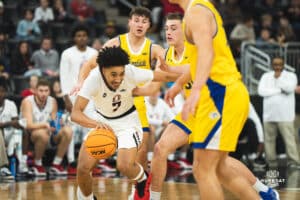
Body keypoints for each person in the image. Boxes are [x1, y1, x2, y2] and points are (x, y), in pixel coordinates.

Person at [133, 12, 279, 200]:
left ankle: (263, 190)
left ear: (185, 31)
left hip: (213, 109)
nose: (168, 32)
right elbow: (153, 84)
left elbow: (191, 69)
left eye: (174, 28)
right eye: (166, 28)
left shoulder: (194, 48)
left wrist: (164, 74)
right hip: (192, 113)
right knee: (161, 149)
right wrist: (132, 87)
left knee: (218, 164)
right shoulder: (168, 55)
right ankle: (153, 198)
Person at [71, 7, 167, 177]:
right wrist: (80, 82)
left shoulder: (154, 49)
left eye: (144, 22)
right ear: (129, 22)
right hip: (112, 100)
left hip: (136, 101)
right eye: (136, 20)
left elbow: (157, 82)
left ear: (149, 26)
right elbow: (89, 64)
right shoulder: (116, 43)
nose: (140, 24)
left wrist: (137, 91)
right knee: (100, 150)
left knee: (142, 151)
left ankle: (137, 190)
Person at [71, 46, 175, 200]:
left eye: (121, 73)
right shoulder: (93, 79)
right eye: (113, 74)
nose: (119, 79)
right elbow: (75, 113)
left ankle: (142, 178)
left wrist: (191, 73)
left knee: (124, 165)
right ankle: (87, 198)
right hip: (103, 123)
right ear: (102, 69)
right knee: (83, 168)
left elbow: (164, 77)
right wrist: (94, 124)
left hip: (128, 123)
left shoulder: (131, 71)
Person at [59, 24, 98, 175]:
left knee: (92, 129)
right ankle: (71, 162)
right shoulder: (67, 54)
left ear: (87, 37)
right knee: (73, 130)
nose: (81, 38)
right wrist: (66, 98)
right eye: (78, 35)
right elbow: (64, 76)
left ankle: (90, 162)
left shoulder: (94, 52)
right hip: (73, 95)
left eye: (84, 35)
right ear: (74, 38)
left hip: (91, 96)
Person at [20, 78, 73, 176]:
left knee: (68, 131)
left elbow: (54, 122)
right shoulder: (27, 101)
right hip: (30, 135)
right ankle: (37, 164)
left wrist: (58, 123)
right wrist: (45, 125)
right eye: (41, 91)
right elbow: (28, 125)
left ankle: (56, 164)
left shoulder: (52, 101)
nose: (43, 94)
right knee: (42, 133)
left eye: (46, 91)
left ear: (49, 91)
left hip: (48, 133)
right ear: (35, 91)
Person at [258, 56, 300, 169]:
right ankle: (271, 162)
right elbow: (261, 91)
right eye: (275, 64)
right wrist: (278, 91)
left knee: (289, 140)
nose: (277, 67)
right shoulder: (266, 76)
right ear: (272, 65)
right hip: (269, 115)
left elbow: (290, 88)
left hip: (285, 115)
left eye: (279, 64)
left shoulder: (291, 76)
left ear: (283, 65)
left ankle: (294, 162)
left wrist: (279, 79)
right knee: (269, 140)